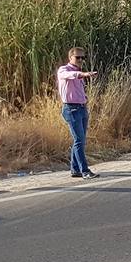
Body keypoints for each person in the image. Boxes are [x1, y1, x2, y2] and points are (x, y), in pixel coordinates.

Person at [56, 47, 99, 179]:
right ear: (70, 58)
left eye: (83, 58)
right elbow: (70, 76)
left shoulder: (78, 71)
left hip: (81, 108)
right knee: (79, 140)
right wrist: (84, 74)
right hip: (71, 109)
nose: (80, 60)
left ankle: (75, 169)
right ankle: (84, 170)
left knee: (80, 140)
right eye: (78, 57)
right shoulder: (64, 70)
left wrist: (85, 99)